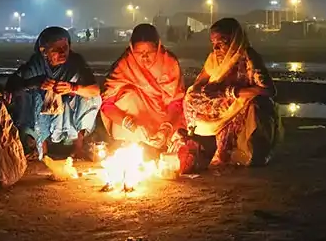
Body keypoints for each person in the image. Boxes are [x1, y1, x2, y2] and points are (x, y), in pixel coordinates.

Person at [184, 18, 279, 166]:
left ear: (235, 40)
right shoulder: (214, 58)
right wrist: (204, 90)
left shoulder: (249, 56)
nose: (216, 48)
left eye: (222, 43)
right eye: (213, 43)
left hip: (243, 104)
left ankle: (243, 149)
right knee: (190, 95)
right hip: (221, 104)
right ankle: (197, 137)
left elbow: (269, 90)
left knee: (255, 104)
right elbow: (199, 83)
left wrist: (229, 92)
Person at [5, 27, 101, 159]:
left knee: (90, 98)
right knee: (27, 94)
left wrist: (73, 88)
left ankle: (78, 146)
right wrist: (35, 83)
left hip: (69, 116)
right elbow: (12, 85)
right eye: (56, 50)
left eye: (65, 48)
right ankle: (39, 146)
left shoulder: (75, 61)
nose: (62, 53)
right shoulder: (36, 64)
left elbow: (95, 89)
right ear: (44, 51)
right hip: (43, 118)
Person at [101, 24, 185, 151]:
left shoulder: (169, 63)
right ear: (131, 48)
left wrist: (166, 127)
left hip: (162, 119)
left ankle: (160, 140)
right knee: (129, 95)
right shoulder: (125, 64)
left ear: (158, 47)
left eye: (150, 52)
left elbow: (176, 101)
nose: (144, 57)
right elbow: (107, 104)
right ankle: (129, 142)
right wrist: (127, 123)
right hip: (133, 125)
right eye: (139, 52)